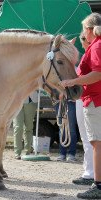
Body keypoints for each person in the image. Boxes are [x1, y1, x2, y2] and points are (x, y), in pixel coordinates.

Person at [61, 13, 101, 199]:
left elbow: (97, 74)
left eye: (85, 29)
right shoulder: (96, 46)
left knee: (96, 143)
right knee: (95, 142)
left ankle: (98, 185)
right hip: (92, 99)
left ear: (90, 29)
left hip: (95, 100)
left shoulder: (97, 46)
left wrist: (72, 81)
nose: (84, 33)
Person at [72, 32, 94, 185]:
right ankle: (89, 170)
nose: (83, 43)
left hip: (86, 97)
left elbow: (78, 76)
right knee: (87, 138)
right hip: (84, 98)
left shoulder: (91, 52)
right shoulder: (89, 53)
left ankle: (90, 173)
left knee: (88, 138)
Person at [13, 91, 38, 159]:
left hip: (31, 100)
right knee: (18, 127)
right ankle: (17, 152)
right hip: (16, 101)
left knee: (28, 127)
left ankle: (27, 151)